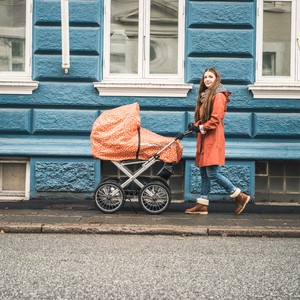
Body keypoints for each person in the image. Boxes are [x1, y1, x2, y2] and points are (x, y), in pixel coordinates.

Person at [185, 68, 250, 215]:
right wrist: (196, 126)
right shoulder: (206, 95)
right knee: (203, 172)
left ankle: (239, 195)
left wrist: (201, 127)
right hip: (205, 137)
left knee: (212, 173)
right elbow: (206, 118)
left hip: (213, 138)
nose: (207, 79)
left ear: (216, 79)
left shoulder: (218, 95)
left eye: (211, 77)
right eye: (205, 77)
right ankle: (202, 204)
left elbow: (215, 119)